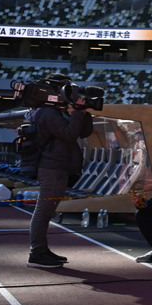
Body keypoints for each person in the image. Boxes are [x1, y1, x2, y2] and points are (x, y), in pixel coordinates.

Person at [26, 78, 94, 268]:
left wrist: (84, 113)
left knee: (48, 210)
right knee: (43, 210)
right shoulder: (47, 112)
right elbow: (69, 133)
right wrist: (78, 113)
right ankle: (37, 253)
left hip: (59, 166)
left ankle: (41, 249)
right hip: (51, 167)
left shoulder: (56, 111)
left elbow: (83, 133)